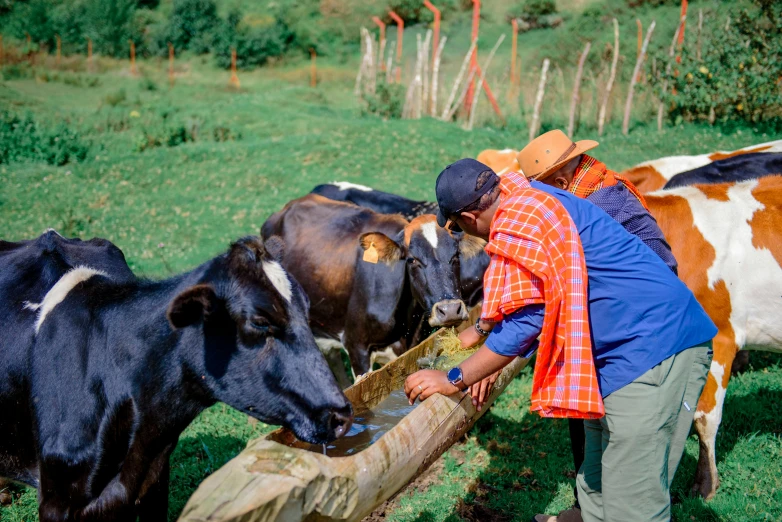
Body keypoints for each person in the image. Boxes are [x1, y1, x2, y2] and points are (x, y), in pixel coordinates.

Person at [404, 157, 716, 522]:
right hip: (619, 347)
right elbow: (533, 288)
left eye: (457, 227)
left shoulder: (518, 227)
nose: (465, 233)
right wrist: (485, 328)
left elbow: (529, 319)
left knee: (634, 499)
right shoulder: (527, 196)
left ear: (470, 219)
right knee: (598, 476)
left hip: (654, 348)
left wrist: (453, 377)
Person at [516, 129, 680, 518]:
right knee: (589, 411)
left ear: (559, 182)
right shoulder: (594, 186)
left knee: (615, 425)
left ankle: (613, 507)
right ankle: (589, 506)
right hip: (629, 312)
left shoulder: (594, 205)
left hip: (641, 323)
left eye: (541, 194)